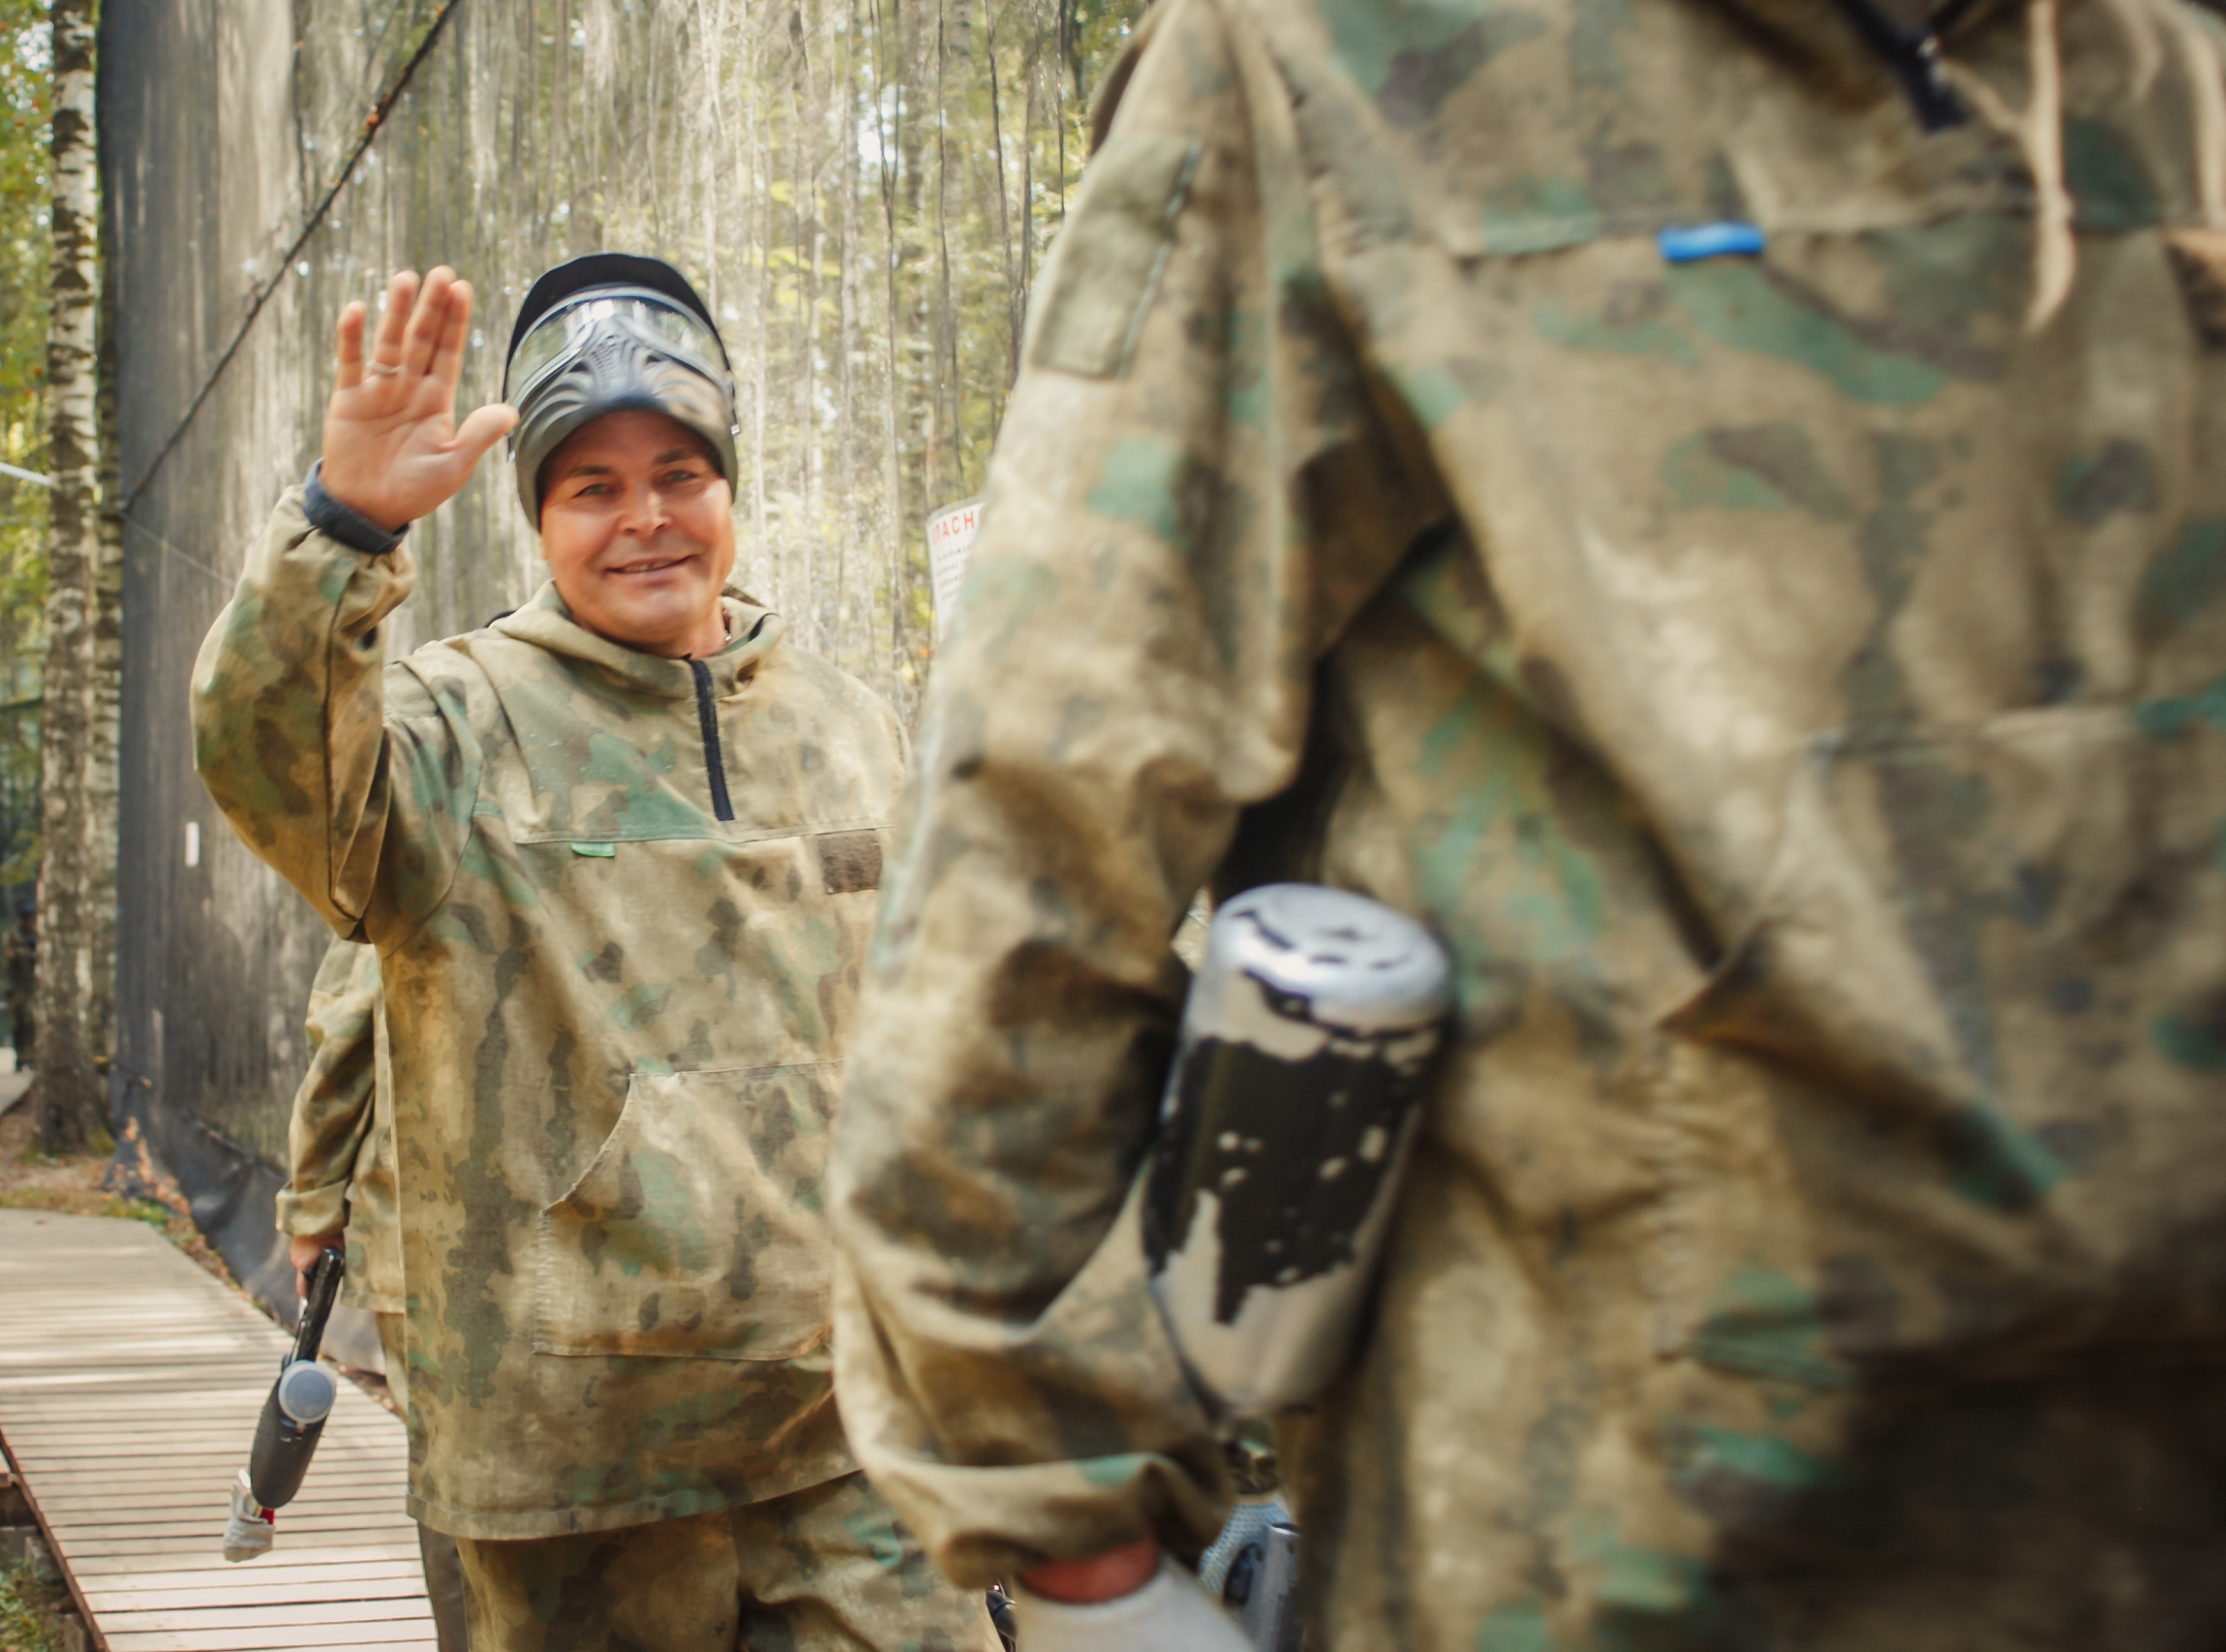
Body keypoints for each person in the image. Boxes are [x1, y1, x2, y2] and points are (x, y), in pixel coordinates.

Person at [827, 1, 2226, 1647]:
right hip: (1613, 1535)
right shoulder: (1338, 60)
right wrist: (1071, 1532)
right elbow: (1042, 813)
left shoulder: (2168, 67)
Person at [191, 253, 991, 1652]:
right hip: (567, 1456)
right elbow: (273, 771)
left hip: (841, 1419)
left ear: (730, 487)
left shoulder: (847, 722)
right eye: (593, 487)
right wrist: (339, 526)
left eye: (680, 473)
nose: (647, 521)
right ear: (537, 518)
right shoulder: (449, 722)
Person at [279, 936, 470, 1652]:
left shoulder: (416, 851)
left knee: (454, 1477)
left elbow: (343, 1050)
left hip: (424, 1229)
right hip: (577, 1238)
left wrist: (312, 1214)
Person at [3, 900, 38, 1070]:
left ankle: (30, 1055)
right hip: (15, 988)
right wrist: (22, 954)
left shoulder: (37, 935)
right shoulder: (13, 935)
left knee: (30, 1021)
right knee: (16, 1024)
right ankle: (19, 1057)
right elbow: (7, 955)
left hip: (32, 987)